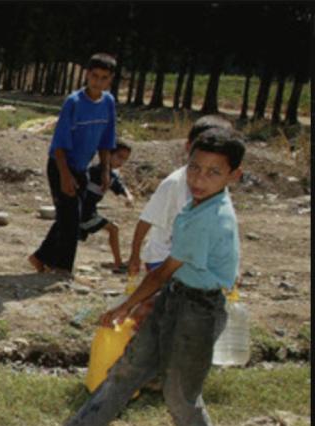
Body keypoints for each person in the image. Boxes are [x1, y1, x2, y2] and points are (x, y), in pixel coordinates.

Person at [35, 128, 246, 426]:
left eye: (213, 172)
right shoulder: (199, 203)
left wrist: (125, 306)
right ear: (186, 162)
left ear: (234, 176)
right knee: (128, 368)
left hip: (199, 311)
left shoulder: (210, 218)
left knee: (179, 390)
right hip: (177, 298)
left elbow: (162, 272)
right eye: (195, 168)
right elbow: (170, 277)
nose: (199, 178)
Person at [124, 115, 234, 328]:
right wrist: (134, 255)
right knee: (153, 312)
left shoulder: (217, 186)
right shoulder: (174, 183)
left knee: (174, 316)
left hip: (190, 263)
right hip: (163, 258)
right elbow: (146, 219)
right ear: (189, 147)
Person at [29, 53, 118, 275]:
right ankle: (62, 269)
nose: (98, 81)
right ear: (87, 75)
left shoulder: (108, 103)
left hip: (81, 167)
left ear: (110, 80)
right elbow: (58, 144)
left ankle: (40, 257)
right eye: (94, 76)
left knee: (70, 217)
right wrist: (65, 175)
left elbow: (107, 141)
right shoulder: (74, 102)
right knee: (70, 220)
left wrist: (106, 170)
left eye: (104, 78)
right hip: (61, 165)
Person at [78, 139, 135, 273]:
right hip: (83, 212)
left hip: (89, 212)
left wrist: (128, 196)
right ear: (108, 154)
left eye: (124, 160)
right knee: (113, 229)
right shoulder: (95, 171)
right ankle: (118, 262)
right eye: (119, 157)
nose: (121, 162)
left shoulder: (110, 175)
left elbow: (119, 186)